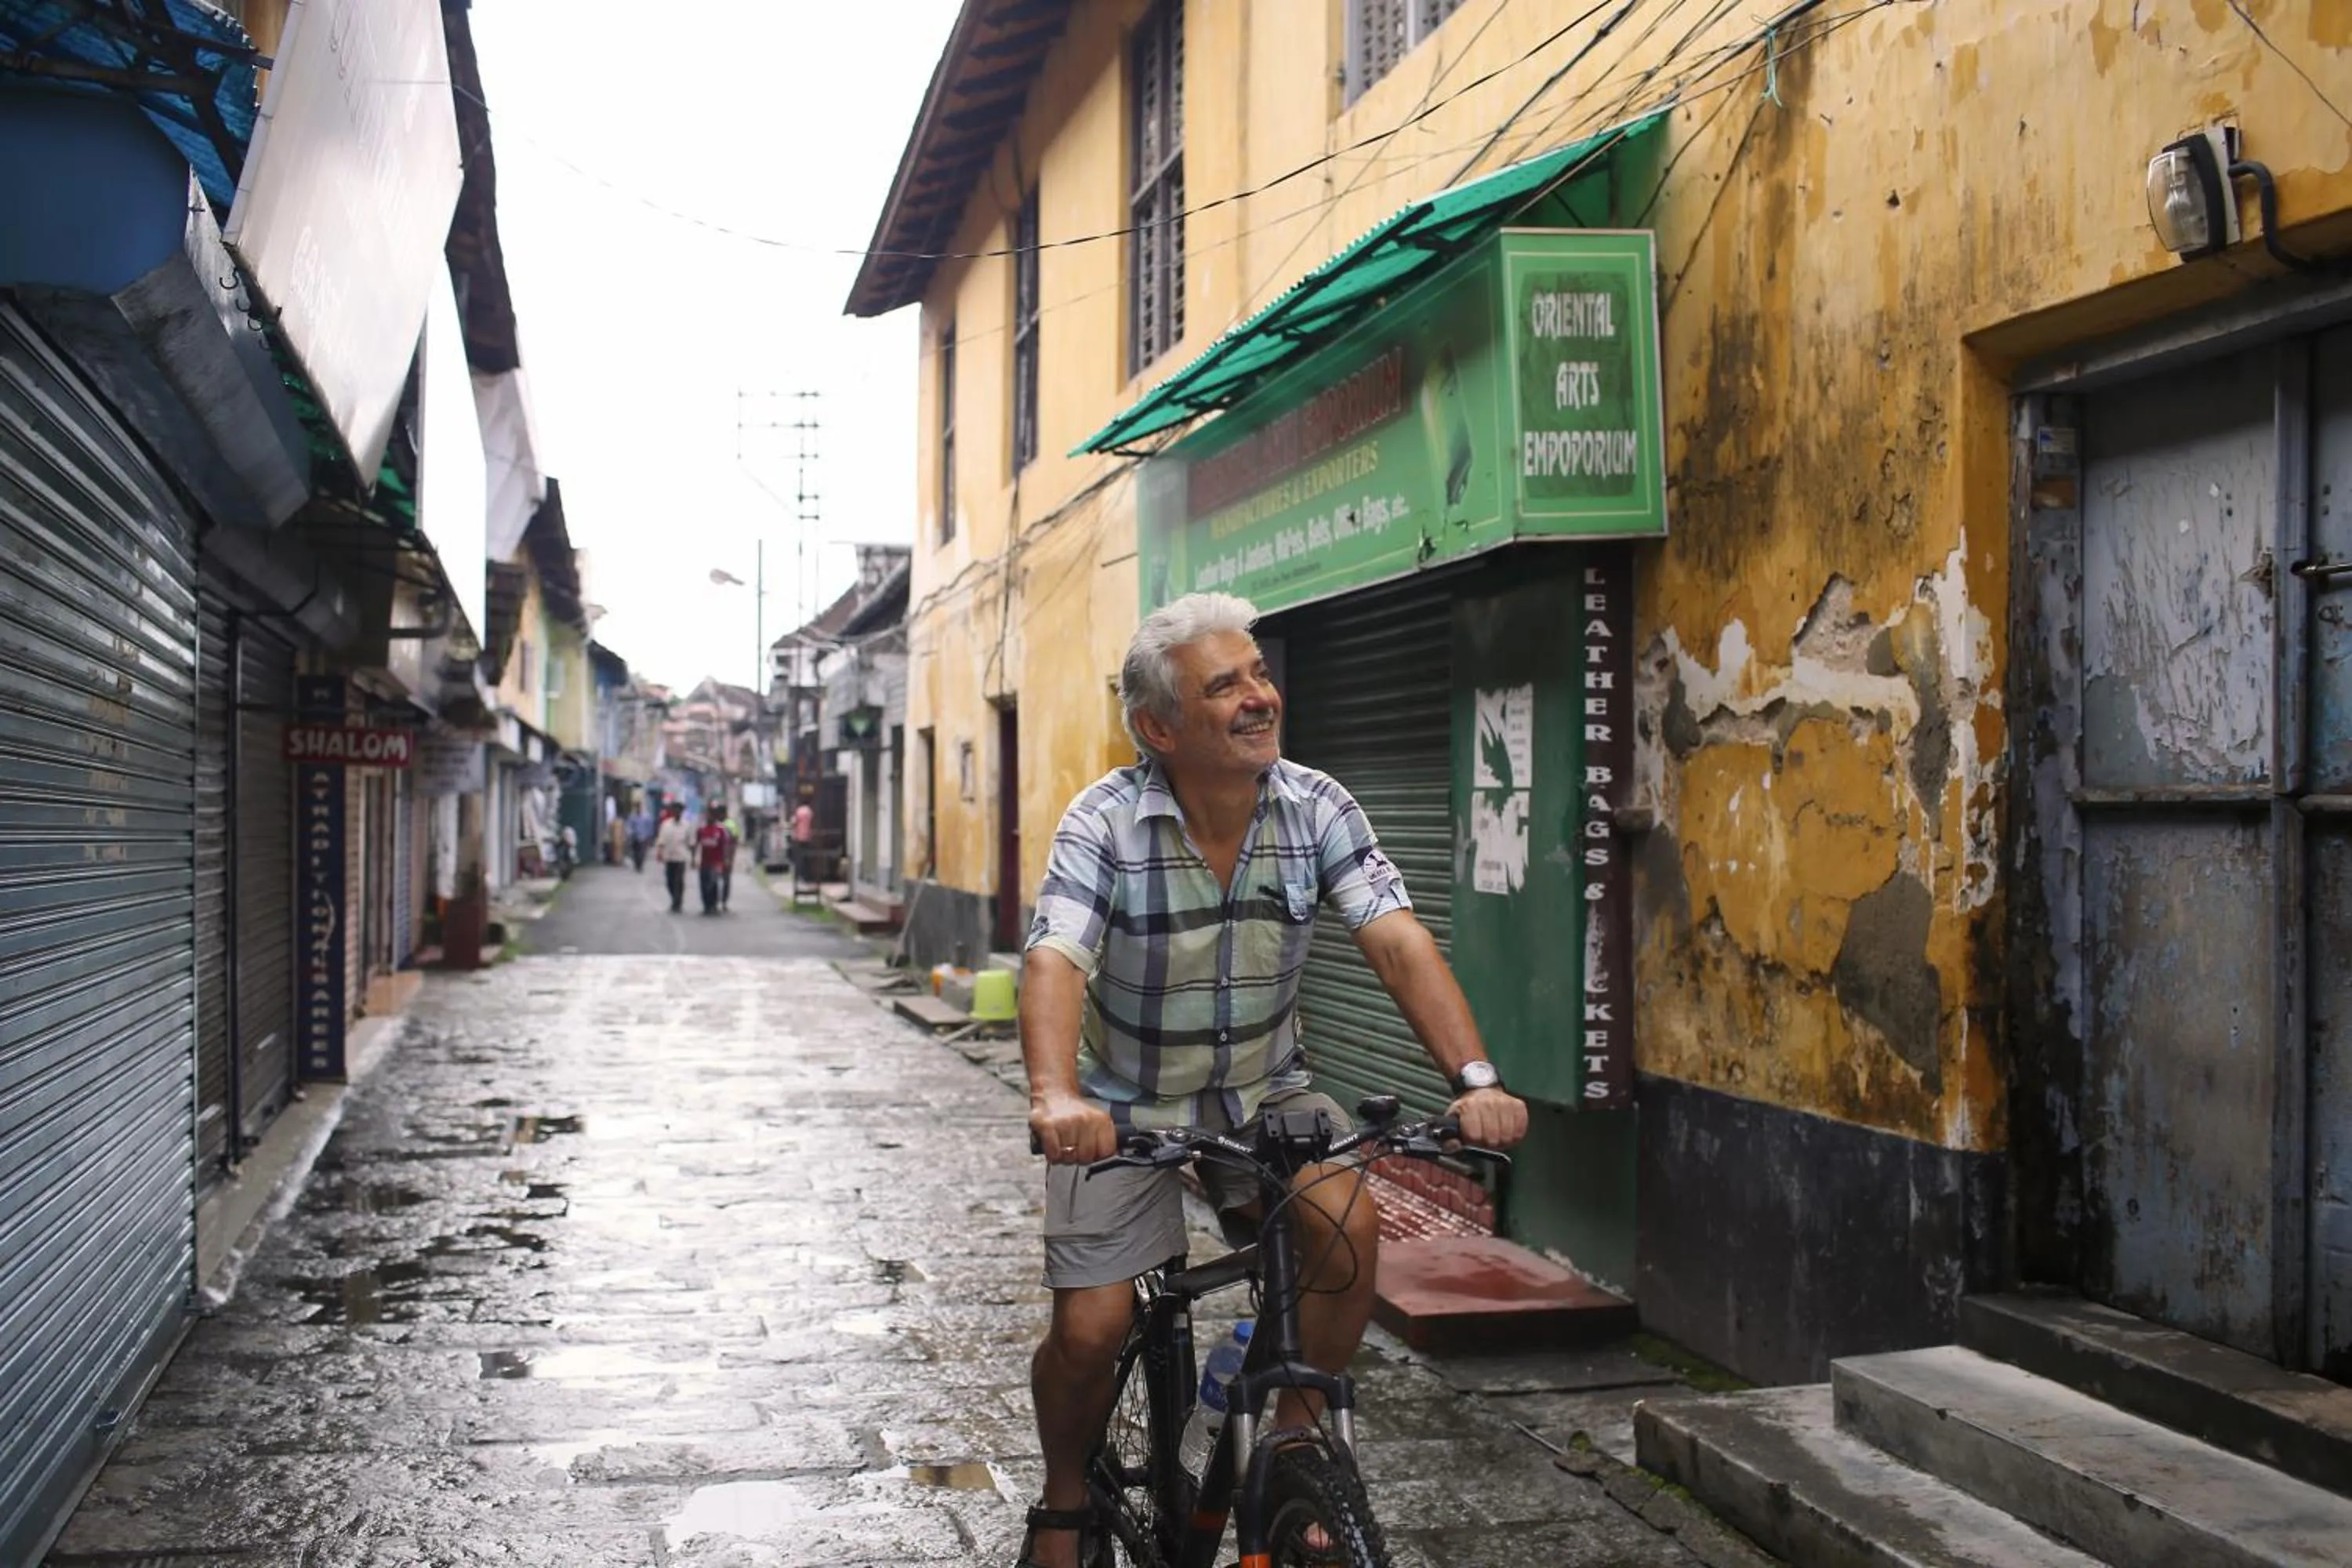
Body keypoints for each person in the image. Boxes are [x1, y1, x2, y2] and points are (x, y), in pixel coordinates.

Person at [1012, 593, 1529, 1568]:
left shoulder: (1319, 803)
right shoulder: (1106, 821)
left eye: (1258, 673)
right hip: (1124, 1105)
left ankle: (1291, 1440)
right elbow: (1056, 957)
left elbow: (1396, 937)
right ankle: (1066, 1493)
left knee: (1347, 1226)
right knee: (1092, 1325)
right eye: (1226, 685)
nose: (1260, 696)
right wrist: (1056, 1095)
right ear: (1159, 726)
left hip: (1268, 1089)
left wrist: (1475, 1075)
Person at [695, 803, 735, 914]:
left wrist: (727, 859)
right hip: (704, 861)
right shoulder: (701, 829)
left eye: (711, 815)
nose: (709, 817)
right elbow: (696, 844)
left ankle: (713, 905)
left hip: (716, 862)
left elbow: (726, 845)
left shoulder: (721, 829)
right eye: (707, 814)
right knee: (704, 884)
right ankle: (706, 906)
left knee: (713, 883)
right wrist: (694, 859)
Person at [653, 802, 692, 913]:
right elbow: (661, 840)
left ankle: (677, 902)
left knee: (679, 881)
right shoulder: (666, 825)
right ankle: (674, 899)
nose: (677, 812)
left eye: (679, 810)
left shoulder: (686, 825)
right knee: (670, 881)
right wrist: (659, 853)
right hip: (669, 857)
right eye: (675, 810)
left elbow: (690, 842)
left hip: (681, 857)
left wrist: (693, 857)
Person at [790, 797, 815, 887]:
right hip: (807, 837)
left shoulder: (799, 811)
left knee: (798, 858)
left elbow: (793, 822)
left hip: (798, 837)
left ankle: (799, 876)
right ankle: (806, 876)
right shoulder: (810, 812)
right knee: (806, 858)